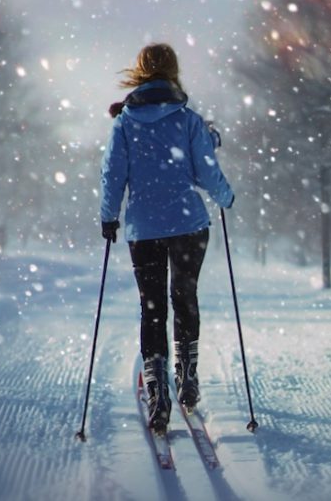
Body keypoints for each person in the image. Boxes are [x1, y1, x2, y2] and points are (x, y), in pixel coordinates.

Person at [100, 43, 235, 434]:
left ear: (140, 72)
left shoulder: (124, 122)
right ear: (173, 71)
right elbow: (207, 171)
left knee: (153, 306)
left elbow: (113, 173)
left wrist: (109, 216)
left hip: (144, 228)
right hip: (189, 225)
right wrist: (226, 197)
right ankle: (187, 376)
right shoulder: (189, 120)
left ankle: (158, 392)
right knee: (185, 296)